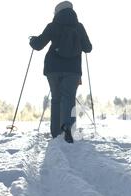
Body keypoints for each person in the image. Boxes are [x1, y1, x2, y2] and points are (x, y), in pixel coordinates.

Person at [30, 1, 92, 143]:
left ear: (57, 12)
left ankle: (56, 133)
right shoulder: (79, 27)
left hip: (53, 69)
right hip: (73, 70)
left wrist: (32, 40)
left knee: (56, 99)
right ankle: (68, 130)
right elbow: (88, 48)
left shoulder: (53, 26)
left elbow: (38, 45)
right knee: (69, 98)